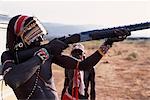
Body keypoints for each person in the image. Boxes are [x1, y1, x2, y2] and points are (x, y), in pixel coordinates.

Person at [1, 15, 130, 100]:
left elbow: (84, 66)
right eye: (33, 34)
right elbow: (13, 80)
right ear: (20, 37)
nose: (39, 38)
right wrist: (45, 52)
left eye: (38, 33)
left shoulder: (46, 52)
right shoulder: (9, 56)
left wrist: (108, 43)